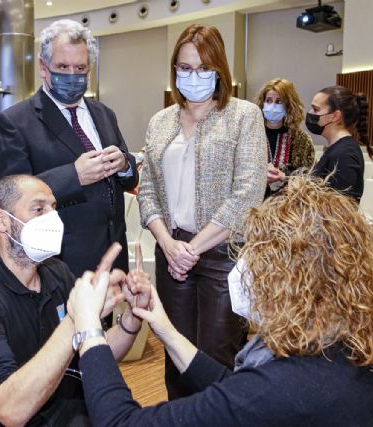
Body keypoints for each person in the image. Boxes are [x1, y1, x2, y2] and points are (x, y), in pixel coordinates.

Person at [69, 176, 373, 426]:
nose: (242, 266)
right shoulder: (334, 349)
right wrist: (164, 326)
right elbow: (235, 390)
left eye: (253, 254)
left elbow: (120, 423)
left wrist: (88, 329)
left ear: (287, 278)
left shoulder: (286, 386)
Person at [0, 174, 150, 426]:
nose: (53, 218)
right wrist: (77, 317)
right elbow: (9, 410)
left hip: (59, 412)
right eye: (39, 209)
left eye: (54, 208)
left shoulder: (57, 273)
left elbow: (94, 351)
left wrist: (131, 319)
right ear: (2, 221)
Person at [136, 24, 266, 399]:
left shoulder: (244, 116)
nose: (192, 76)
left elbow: (247, 193)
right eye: (184, 68)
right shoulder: (160, 122)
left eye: (202, 68)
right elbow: (148, 190)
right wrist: (168, 243)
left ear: (219, 70)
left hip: (222, 254)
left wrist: (195, 247)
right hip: (172, 251)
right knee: (173, 351)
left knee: (216, 354)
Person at [0, 19, 138, 278]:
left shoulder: (104, 114)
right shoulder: (14, 122)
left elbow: (128, 179)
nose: (72, 75)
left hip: (113, 259)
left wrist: (124, 165)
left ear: (89, 70)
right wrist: (73, 176)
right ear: (43, 68)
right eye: (62, 67)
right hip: (58, 266)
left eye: (80, 67)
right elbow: (4, 199)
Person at [308, 85, 373, 202]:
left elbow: (339, 209)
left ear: (335, 116)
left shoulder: (344, 155)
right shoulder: (337, 149)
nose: (310, 113)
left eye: (316, 109)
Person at [255, 78, 314, 194]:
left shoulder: (301, 139)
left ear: (289, 105)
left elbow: (308, 180)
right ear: (262, 103)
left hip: (286, 205)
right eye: (268, 100)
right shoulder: (251, 134)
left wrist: (285, 177)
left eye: (279, 102)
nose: (272, 106)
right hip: (253, 204)